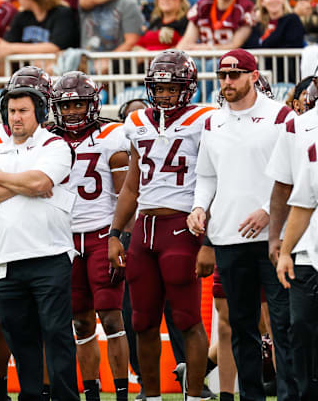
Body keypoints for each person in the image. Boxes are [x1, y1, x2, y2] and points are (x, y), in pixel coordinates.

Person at [187, 48, 298, 401]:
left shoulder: (279, 116)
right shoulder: (212, 122)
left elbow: (294, 175)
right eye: (222, 75)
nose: (227, 82)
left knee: (283, 324)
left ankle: (289, 395)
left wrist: (269, 210)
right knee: (242, 327)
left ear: (253, 76)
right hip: (228, 237)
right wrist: (199, 207)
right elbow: (206, 175)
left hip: (273, 238)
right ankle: (250, 396)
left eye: (235, 75)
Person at [107, 49, 214, 401]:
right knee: (142, 321)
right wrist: (115, 233)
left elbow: (215, 179)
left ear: (187, 87)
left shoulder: (206, 119)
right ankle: (151, 395)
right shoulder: (137, 121)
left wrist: (209, 237)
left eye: (173, 87)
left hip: (182, 227)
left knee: (186, 318)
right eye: (161, 87)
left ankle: (194, 394)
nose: (166, 94)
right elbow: (132, 186)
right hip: (144, 229)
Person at [0, 70, 81, 401]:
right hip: (6, 260)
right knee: (20, 337)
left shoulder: (55, 144)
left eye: (23, 111)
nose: (15, 117)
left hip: (50, 255)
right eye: (12, 110)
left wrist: (1, 178)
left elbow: (40, 184)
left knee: (57, 334)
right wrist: (22, 183)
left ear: (39, 113)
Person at [50, 71, 131, 401]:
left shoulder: (113, 135)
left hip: (100, 234)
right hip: (65, 239)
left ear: (92, 104)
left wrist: (119, 235)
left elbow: (127, 192)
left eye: (79, 104)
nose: (71, 112)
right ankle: (92, 393)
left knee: (112, 319)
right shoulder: (48, 139)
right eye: (66, 106)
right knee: (80, 323)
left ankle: (123, 393)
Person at [274, 110, 318, 401]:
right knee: (302, 329)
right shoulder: (304, 134)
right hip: (309, 251)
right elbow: (304, 201)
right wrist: (286, 250)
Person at [0, 0, 78, 58]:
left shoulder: (62, 13)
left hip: (56, 69)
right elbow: (8, 43)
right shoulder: (22, 16)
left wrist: (11, 48)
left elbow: (55, 46)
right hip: (24, 69)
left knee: (40, 62)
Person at [177, 0, 254, 50]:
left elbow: (235, 45)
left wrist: (210, 48)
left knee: (213, 65)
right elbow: (187, 42)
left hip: (230, 60)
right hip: (203, 58)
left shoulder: (245, 7)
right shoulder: (203, 5)